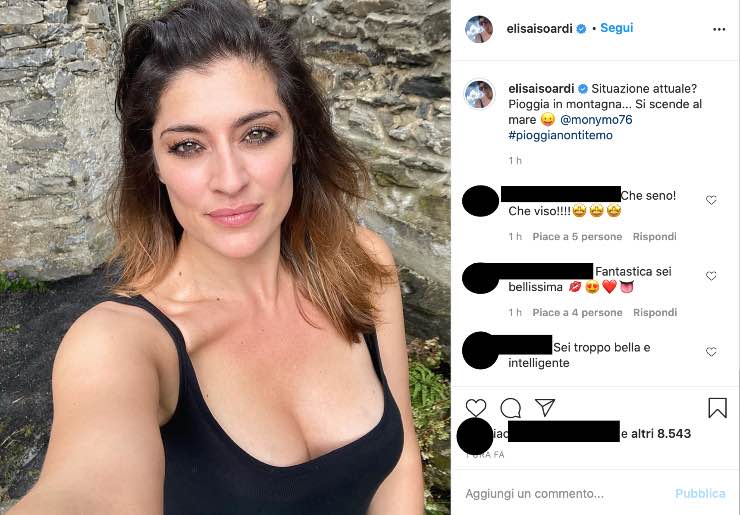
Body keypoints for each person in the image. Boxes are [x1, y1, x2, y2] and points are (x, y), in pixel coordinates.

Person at [8, 1, 425, 514]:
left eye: (257, 134)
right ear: (153, 164)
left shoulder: (359, 264)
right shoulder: (120, 345)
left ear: (298, 141)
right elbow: (86, 492)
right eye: (188, 146)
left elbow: (401, 464)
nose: (229, 180)